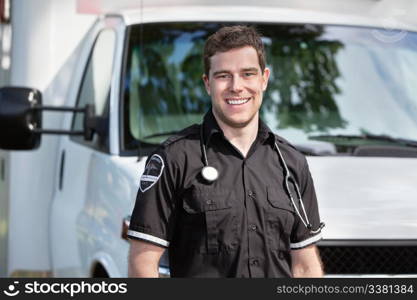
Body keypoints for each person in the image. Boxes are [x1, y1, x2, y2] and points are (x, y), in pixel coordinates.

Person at [127, 25, 324, 278]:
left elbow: (306, 267)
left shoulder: (292, 163)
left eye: (247, 74)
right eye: (223, 76)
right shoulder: (175, 159)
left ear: (264, 79)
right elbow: (141, 264)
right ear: (207, 83)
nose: (236, 86)